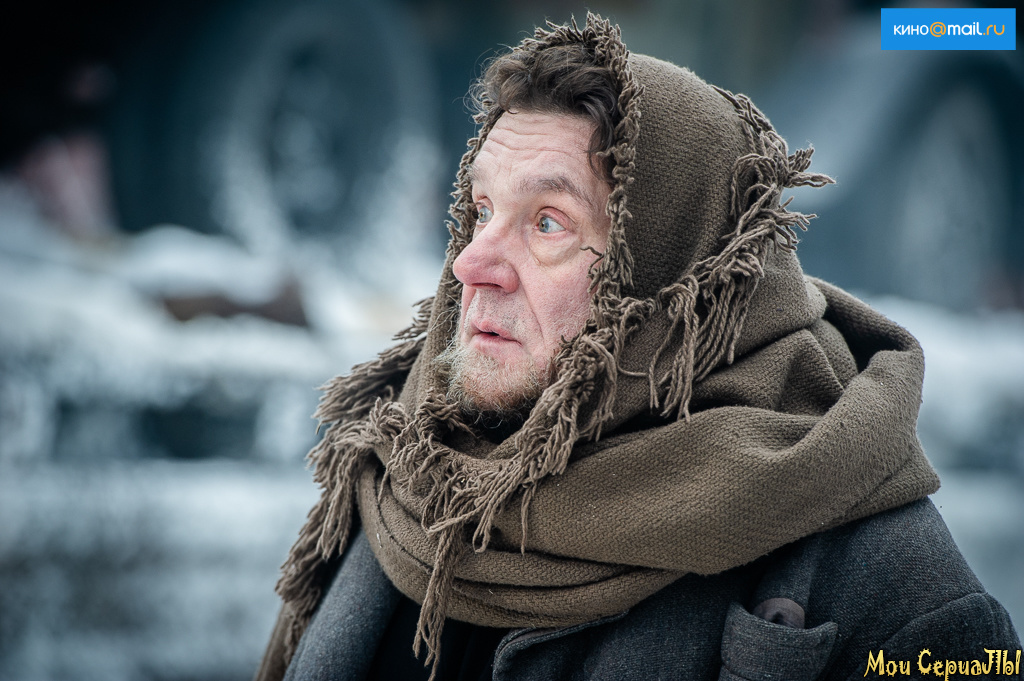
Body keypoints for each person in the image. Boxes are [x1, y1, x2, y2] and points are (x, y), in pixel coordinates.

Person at [256, 14, 1020, 681]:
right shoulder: (397, 476)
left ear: (671, 278)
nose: (470, 264)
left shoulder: (890, 584)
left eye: (548, 222)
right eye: (481, 209)